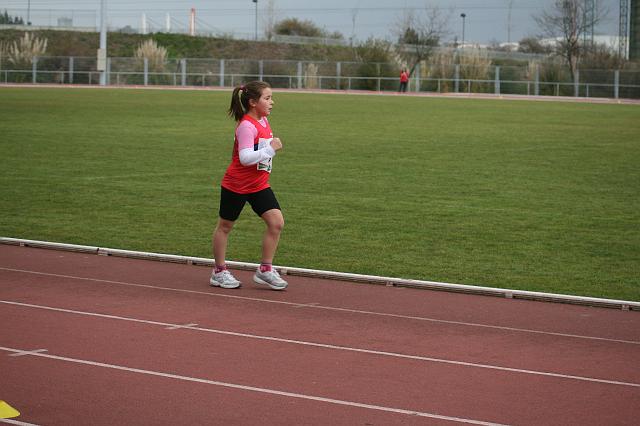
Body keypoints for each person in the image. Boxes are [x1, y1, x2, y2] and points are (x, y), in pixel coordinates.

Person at [210, 81, 288, 291]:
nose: (272, 102)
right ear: (253, 102)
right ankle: (219, 272)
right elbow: (245, 158)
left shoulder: (263, 120)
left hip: (258, 184)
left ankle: (265, 269)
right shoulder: (246, 125)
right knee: (225, 227)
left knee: (276, 223)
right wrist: (271, 150)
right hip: (236, 185)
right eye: (267, 98)